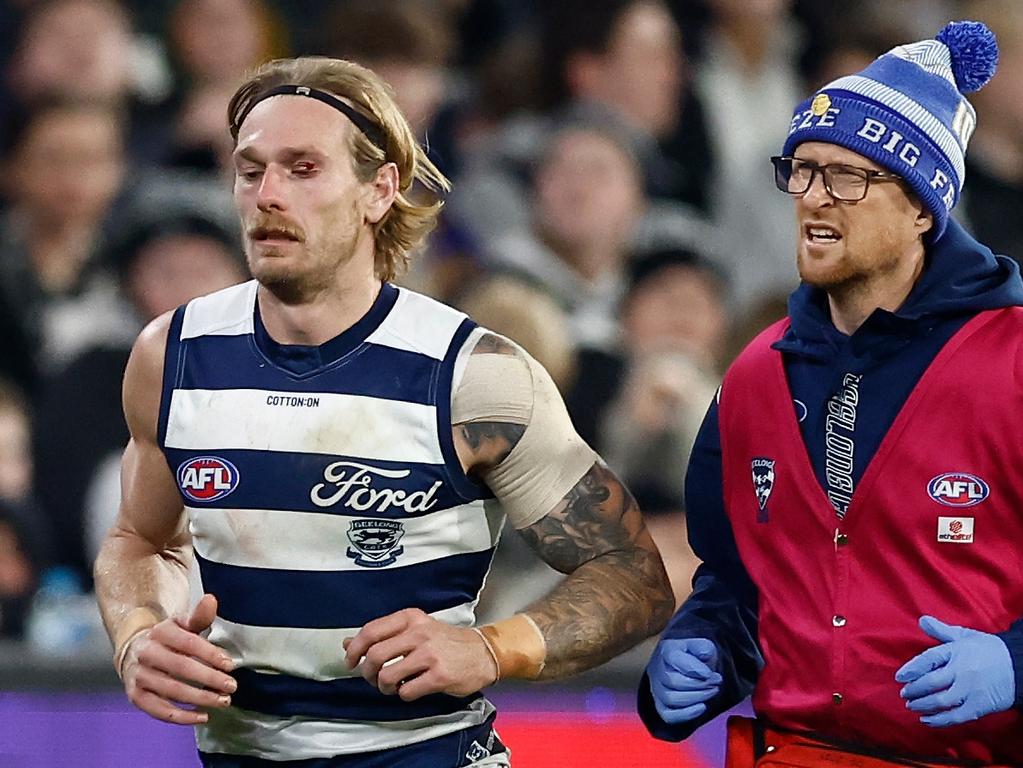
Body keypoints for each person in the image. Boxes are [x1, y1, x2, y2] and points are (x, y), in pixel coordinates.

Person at [93, 56, 675, 767]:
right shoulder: (172, 356)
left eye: (303, 168)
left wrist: (492, 647)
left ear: (379, 190)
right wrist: (137, 633)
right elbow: (140, 541)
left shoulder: (473, 376)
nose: (267, 194)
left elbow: (632, 576)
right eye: (251, 170)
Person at [640, 20, 1023, 766]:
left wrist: (1015, 663)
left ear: (922, 207)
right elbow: (736, 581)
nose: (815, 199)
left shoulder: (1012, 361)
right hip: (794, 753)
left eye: (849, 176)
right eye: (803, 170)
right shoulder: (753, 373)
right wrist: (703, 646)